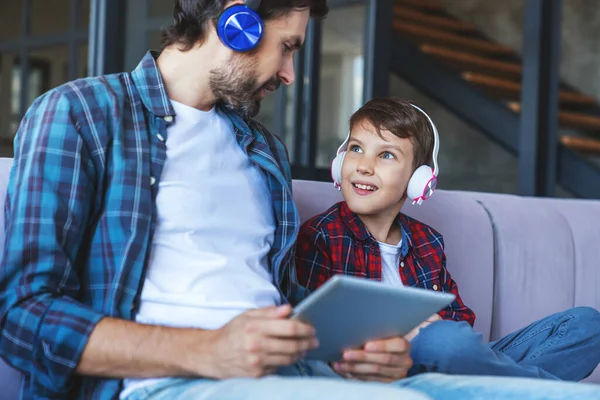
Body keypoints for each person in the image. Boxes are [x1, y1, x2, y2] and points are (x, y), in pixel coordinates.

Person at [0, 0, 599, 398]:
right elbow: (21, 316)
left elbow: (282, 300)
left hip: (300, 371)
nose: (290, 73)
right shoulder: (80, 114)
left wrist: (357, 355)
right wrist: (209, 351)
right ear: (236, 23)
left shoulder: (262, 151)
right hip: (169, 382)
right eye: (287, 47)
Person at [289, 97, 600, 382]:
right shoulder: (322, 235)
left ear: (418, 181)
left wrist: (434, 326)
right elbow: (316, 331)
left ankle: (497, 385)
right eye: (356, 149)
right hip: (384, 370)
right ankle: (528, 389)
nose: (364, 166)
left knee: (588, 324)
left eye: (385, 155)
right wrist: (409, 335)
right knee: (445, 341)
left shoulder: (427, 241)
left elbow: (460, 319)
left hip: (448, 362)